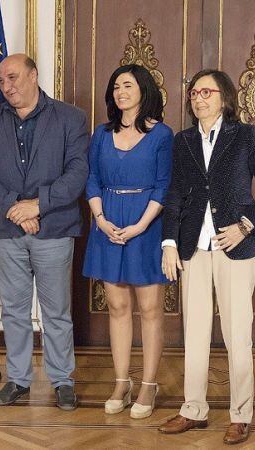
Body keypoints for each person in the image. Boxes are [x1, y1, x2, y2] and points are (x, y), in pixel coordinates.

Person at [157, 69, 255, 444]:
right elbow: (175, 195)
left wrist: (245, 225)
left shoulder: (244, 136)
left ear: (225, 98)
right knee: (193, 332)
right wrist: (168, 244)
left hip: (237, 248)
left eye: (206, 92)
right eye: (194, 92)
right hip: (193, 247)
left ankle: (240, 414)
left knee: (236, 332)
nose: (198, 98)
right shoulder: (182, 141)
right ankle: (193, 410)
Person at [0, 54, 89, 410]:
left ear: (34, 75)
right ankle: (19, 380)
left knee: (56, 312)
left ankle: (62, 380)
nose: (7, 86)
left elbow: (77, 173)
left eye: (14, 78)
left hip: (54, 228)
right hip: (8, 230)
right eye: (3, 81)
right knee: (15, 310)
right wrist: (16, 209)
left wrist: (37, 206)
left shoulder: (71, 117)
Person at [82, 64, 172, 419]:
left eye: (128, 85)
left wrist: (139, 226)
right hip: (107, 224)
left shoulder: (162, 135)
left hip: (146, 225)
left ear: (143, 91)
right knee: (117, 308)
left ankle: (149, 384)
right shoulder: (101, 134)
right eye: (116, 86)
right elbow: (91, 180)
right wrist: (101, 221)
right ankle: (122, 381)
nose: (120, 91)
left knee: (150, 310)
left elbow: (164, 184)